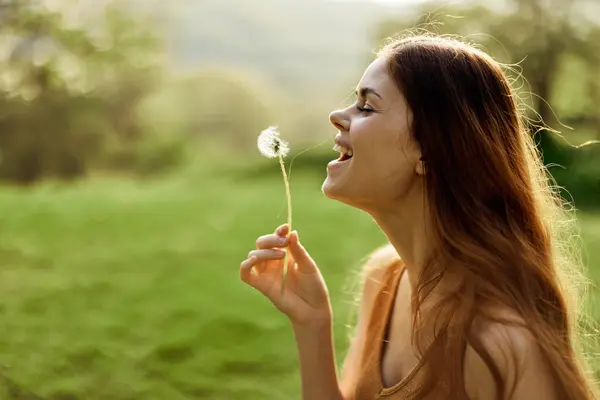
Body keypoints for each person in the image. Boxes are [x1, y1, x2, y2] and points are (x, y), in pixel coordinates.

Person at [239, 35, 599, 399]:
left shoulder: (502, 346)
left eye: (366, 107)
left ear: (429, 150)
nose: (337, 115)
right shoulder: (383, 279)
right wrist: (312, 324)